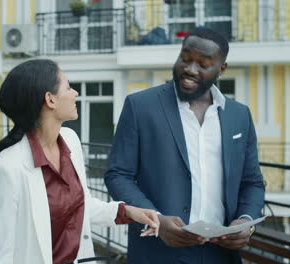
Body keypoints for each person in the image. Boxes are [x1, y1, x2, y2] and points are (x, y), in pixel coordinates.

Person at [104, 27, 265, 264]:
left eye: (203, 64)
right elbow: (118, 175)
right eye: (185, 59)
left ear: (221, 69)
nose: (190, 69)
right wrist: (155, 219)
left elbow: (252, 181)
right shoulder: (140, 106)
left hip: (221, 254)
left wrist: (245, 223)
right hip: (157, 251)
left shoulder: (239, 115)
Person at [0, 59, 160, 264]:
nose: (75, 93)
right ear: (50, 99)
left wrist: (129, 211)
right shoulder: (7, 168)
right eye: (68, 87)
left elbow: (80, 206)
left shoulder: (70, 141)